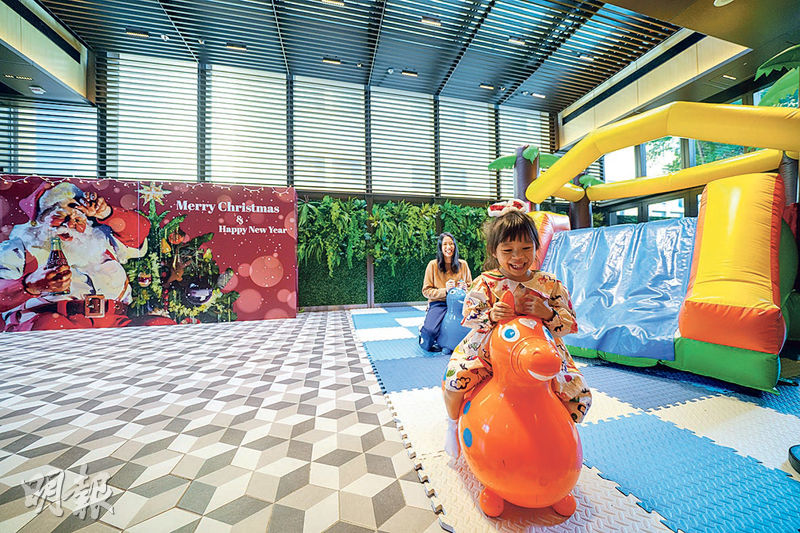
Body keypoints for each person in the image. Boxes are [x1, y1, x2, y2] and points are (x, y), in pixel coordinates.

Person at [442, 200, 592, 456]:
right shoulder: (486, 282)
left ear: (536, 247)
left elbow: (570, 322)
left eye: (526, 248)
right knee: (454, 381)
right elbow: (469, 315)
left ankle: (557, 443)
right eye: (508, 250)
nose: (518, 257)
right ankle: (452, 424)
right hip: (488, 349)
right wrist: (491, 314)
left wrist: (547, 313)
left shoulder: (549, 283)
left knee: (579, 395)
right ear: (494, 251)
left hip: (541, 353)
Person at [0, 181, 151, 330]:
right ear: (40, 220)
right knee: (49, 326)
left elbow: (140, 231)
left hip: (114, 321)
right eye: (60, 217)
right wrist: (30, 285)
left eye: (78, 219)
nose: (70, 224)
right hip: (52, 320)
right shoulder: (21, 249)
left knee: (153, 326)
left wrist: (107, 213)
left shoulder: (101, 241)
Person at [419, 232, 472, 351]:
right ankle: (423, 331)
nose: (449, 247)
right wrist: (445, 291)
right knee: (430, 332)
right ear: (440, 247)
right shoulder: (432, 265)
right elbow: (426, 291)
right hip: (439, 303)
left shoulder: (463, 264)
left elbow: (471, 287)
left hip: (460, 305)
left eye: (451, 244)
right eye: (445, 244)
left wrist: (465, 288)